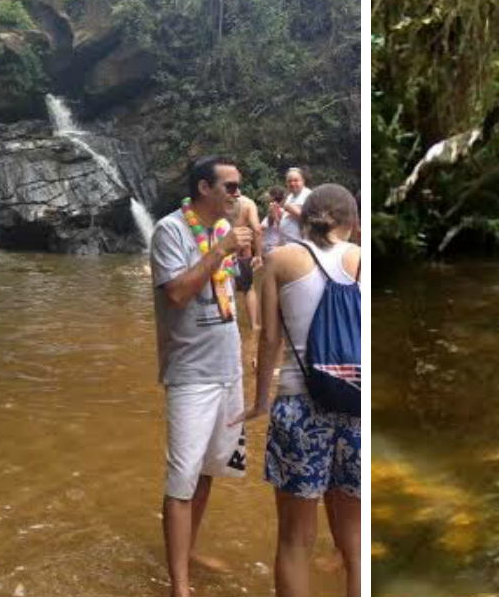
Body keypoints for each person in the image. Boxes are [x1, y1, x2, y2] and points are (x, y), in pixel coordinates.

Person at [231, 184, 362, 596]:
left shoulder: (281, 259)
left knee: (294, 542)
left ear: (303, 220)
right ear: (353, 224)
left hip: (299, 407)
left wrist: (258, 403)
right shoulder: (362, 259)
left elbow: (269, 339)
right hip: (358, 408)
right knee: (355, 543)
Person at [150, 156, 253, 597]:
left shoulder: (222, 231)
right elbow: (175, 293)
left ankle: (186, 553)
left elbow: (230, 289)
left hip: (227, 368)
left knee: (209, 470)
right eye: (229, 187)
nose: (237, 195)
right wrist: (220, 252)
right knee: (182, 477)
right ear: (203, 188)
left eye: (238, 187)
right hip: (191, 372)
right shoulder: (170, 230)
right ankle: (180, 587)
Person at [231, 194, 264, 337]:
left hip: (224, 249)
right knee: (249, 289)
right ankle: (254, 325)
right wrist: (258, 254)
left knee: (227, 288)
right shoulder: (248, 203)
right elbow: (256, 228)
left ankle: (231, 325)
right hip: (244, 250)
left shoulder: (219, 201)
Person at [278, 168, 312, 243]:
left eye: (296, 180)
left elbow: (309, 218)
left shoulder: (309, 196)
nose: (292, 184)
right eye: (289, 181)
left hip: (301, 243)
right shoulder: (290, 196)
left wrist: (288, 207)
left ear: (303, 180)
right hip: (287, 242)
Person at [261, 186, 288, 254]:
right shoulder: (273, 208)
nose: (265, 195)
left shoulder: (276, 209)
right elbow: (270, 225)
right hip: (269, 246)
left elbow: (280, 227)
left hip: (272, 247)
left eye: (268, 193)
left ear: (272, 196)